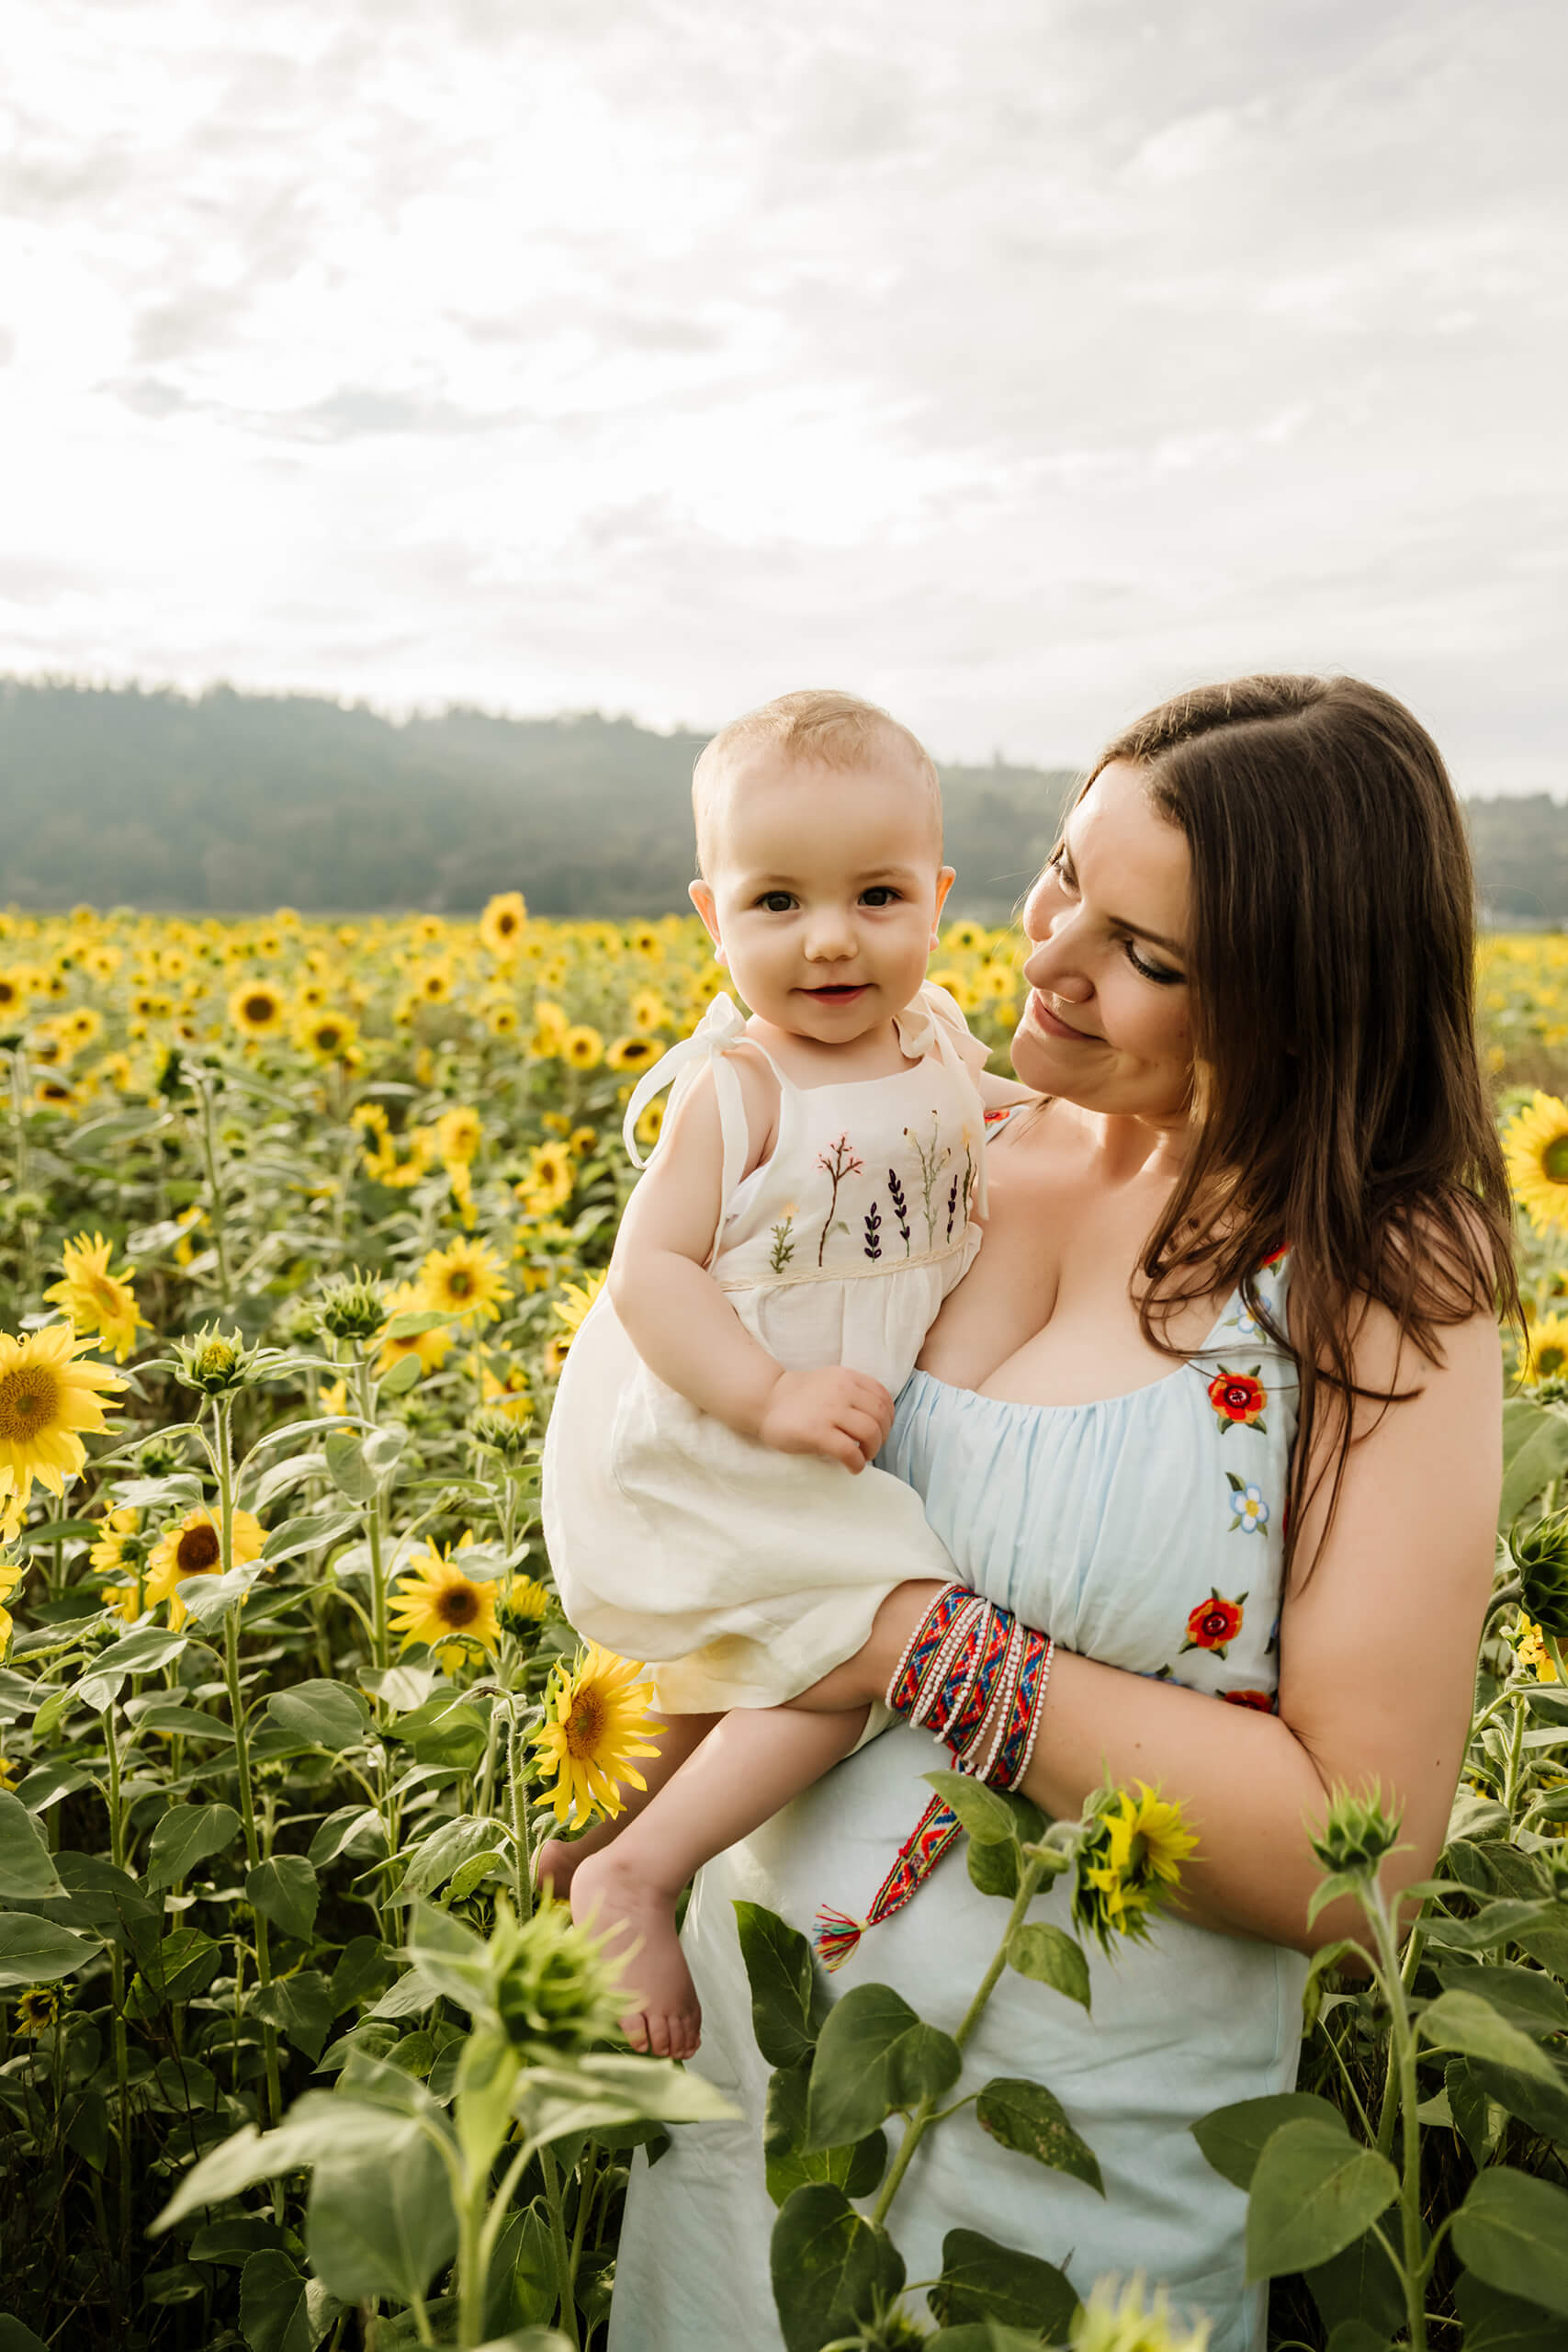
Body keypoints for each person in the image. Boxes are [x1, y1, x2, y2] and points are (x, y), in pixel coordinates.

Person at [604, 674, 1515, 2352]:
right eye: (1057, 875)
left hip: (1073, 2161)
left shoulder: (1384, 1278)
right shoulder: (940, 1139)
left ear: (1307, 996)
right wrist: (618, 1829)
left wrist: (913, 1638)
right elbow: (721, 1493)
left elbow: (1356, 1860)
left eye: (1144, 956)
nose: (1045, 956)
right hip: (751, 2074)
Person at [540, 689, 1032, 2056]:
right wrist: (765, 1396)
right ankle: (642, 1874)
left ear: (936, 897)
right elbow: (652, 1275)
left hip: (828, 1409)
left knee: (738, 1660)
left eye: (876, 896)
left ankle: (598, 1852)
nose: (829, 939)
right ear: (714, 916)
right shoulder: (737, 1089)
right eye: (777, 904)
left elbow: (954, 1121)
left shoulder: (931, 1033)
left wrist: (1031, 1117)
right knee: (855, 1651)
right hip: (729, 1408)